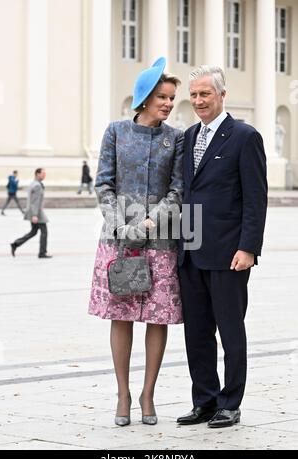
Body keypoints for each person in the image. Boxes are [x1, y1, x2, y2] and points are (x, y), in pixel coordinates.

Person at [88, 57, 184, 426]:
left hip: (160, 241)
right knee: (122, 316)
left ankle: (148, 394)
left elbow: (177, 190)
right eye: (162, 96)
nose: (168, 104)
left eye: (172, 98)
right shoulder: (115, 132)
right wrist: (123, 223)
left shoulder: (174, 139)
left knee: (157, 317)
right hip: (119, 241)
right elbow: (103, 184)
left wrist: (149, 220)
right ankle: (123, 394)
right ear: (144, 98)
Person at [177, 66, 267, 428]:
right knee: (196, 332)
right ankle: (205, 401)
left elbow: (255, 198)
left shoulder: (244, 136)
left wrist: (249, 248)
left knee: (230, 330)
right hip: (191, 250)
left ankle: (231, 403)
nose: (199, 101)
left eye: (205, 95)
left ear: (222, 95)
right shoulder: (187, 137)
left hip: (230, 254)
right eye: (194, 95)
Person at [10, 168, 52, 259]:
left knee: (33, 232)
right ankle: (42, 252)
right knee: (44, 232)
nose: (44, 175)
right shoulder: (37, 185)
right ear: (37, 174)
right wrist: (34, 215)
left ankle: (16, 244)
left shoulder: (34, 183)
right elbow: (35, 202)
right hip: (37, 213)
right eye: (43, 174)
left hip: (34, 212)